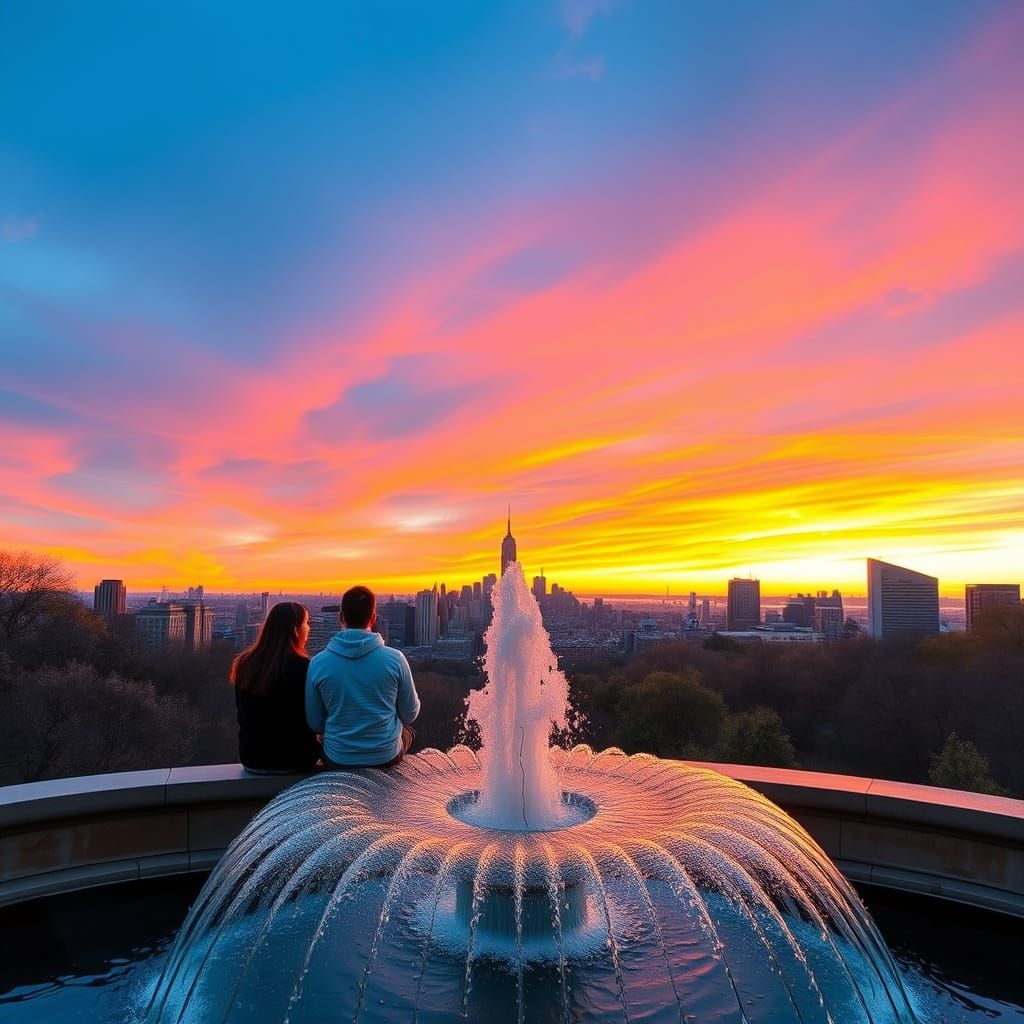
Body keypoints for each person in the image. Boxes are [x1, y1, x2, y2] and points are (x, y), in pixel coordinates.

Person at [306, 585, 420, 769]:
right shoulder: (395, 659)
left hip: (338, 758)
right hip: (385, 756)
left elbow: (315, 722)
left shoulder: (318, 663)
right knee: (408, 731)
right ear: (373, 618)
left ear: (341, 617)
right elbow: (410, 714)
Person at [232, 601, 320, 774]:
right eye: (307, 623)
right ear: (296, 630)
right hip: (296, 759)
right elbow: (315, 720)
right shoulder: (304, 667)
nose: (309, 628)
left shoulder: (244, 663)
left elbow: (241, 710)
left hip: (252, 758)